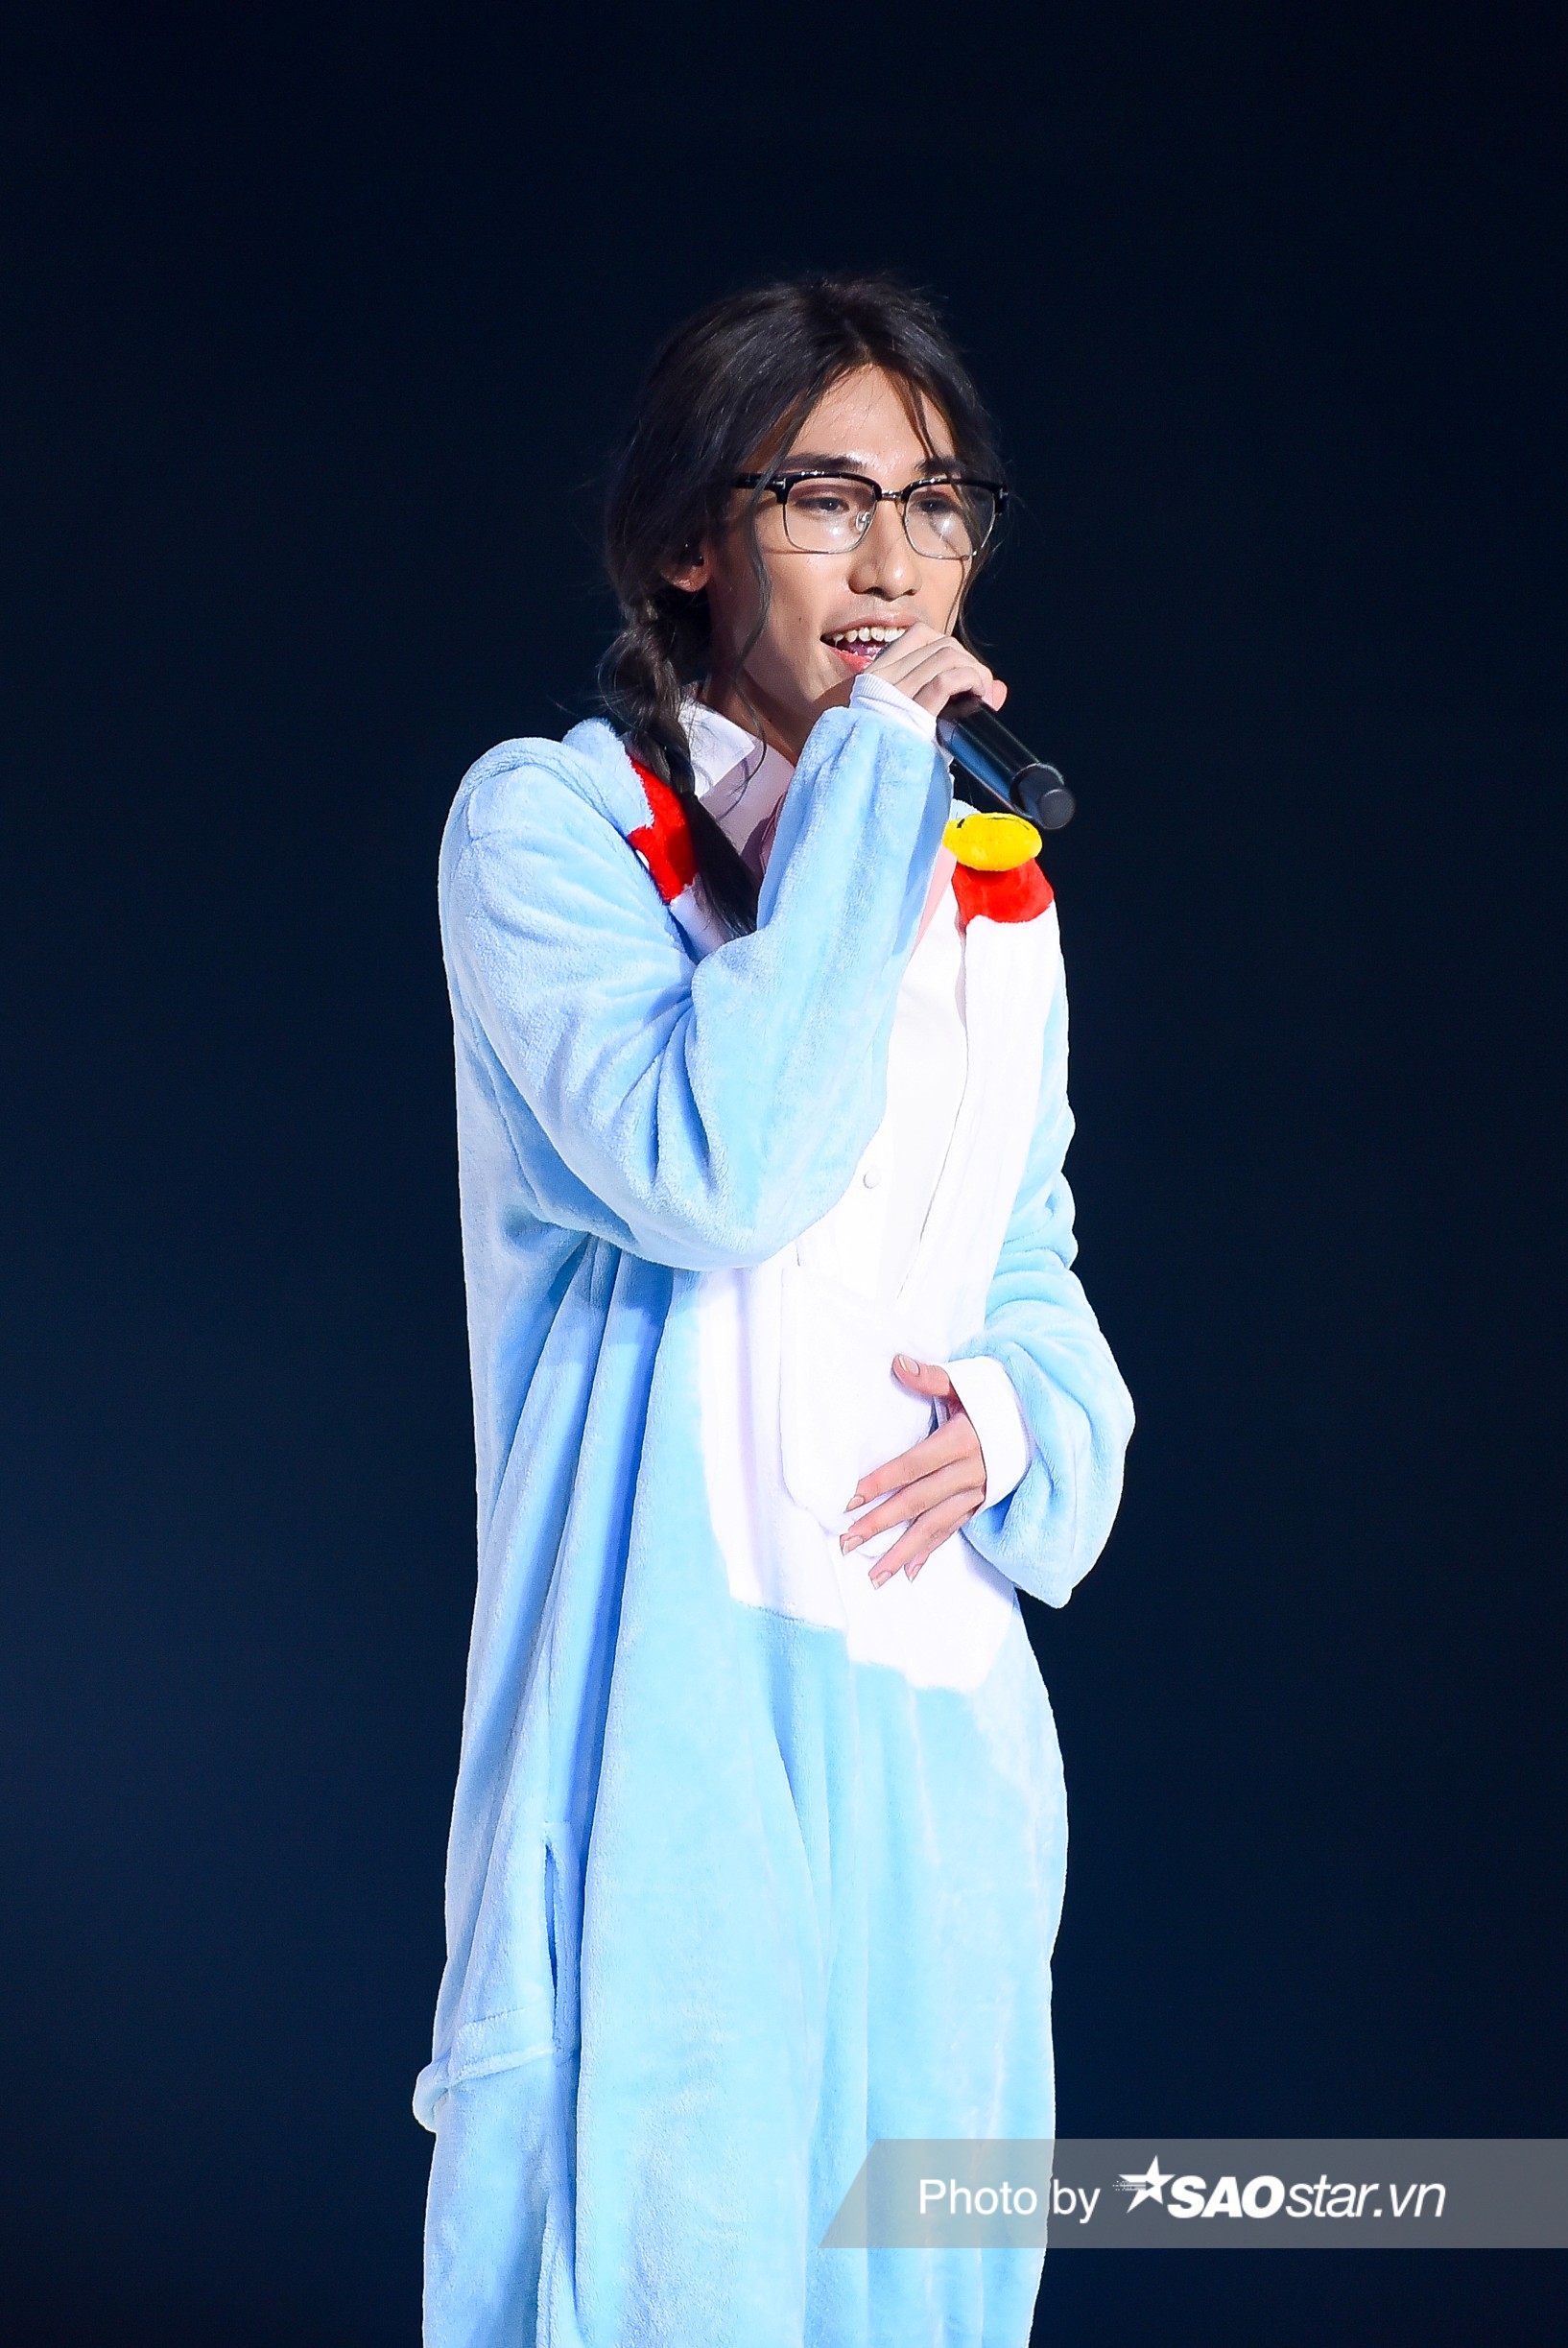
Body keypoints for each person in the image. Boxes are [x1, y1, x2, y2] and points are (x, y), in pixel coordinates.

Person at [416, 273, 1134, 2348]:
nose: (893, 562)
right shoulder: (553, 830)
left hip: (935, 1725)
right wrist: (879, 780)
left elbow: (1028, 1257)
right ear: (687, 541)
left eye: (936, 503)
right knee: (667, 2273)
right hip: (683, 1719)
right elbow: (716, 1168)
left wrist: (1011, 1420)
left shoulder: (984, 900)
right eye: (826, 498)